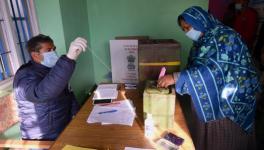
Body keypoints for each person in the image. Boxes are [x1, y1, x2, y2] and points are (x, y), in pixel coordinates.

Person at [158, 6, 260, 150]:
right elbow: (197, 67)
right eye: (184, 29)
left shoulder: (225, 37)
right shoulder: (202, 41)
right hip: (213, 94)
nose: (188, 32)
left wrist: (176, 78)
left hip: (230, 100)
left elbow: (213, 71)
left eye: (189, 27)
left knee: (224, 140)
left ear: (200, 21)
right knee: (207, 138)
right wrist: (180, 78)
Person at [13, 34, 87, 140]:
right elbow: (42, 94)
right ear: (35, 55)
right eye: (49, 50)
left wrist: (78, 116)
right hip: (42, 137)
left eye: (54, 49)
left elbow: (68, 93)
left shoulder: (52, 69)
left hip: (62, 128)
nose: (53, 52)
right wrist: (68, 59)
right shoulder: (25, 75)